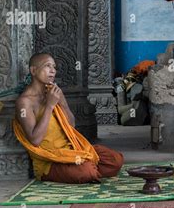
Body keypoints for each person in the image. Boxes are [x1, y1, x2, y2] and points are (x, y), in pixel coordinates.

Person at [13, 53, 124, 184]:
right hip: (51, 160)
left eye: (54, 66)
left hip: (72, 149)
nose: (53, 70)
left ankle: (84, 168)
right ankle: (86, 169)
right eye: (47, 66)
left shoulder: (53, 93)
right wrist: (49, 106)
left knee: (115, 160)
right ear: (33, 70)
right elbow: (35, 140)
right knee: (86, 171)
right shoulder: (24, 102)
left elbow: (71, 126)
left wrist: (62, 103)